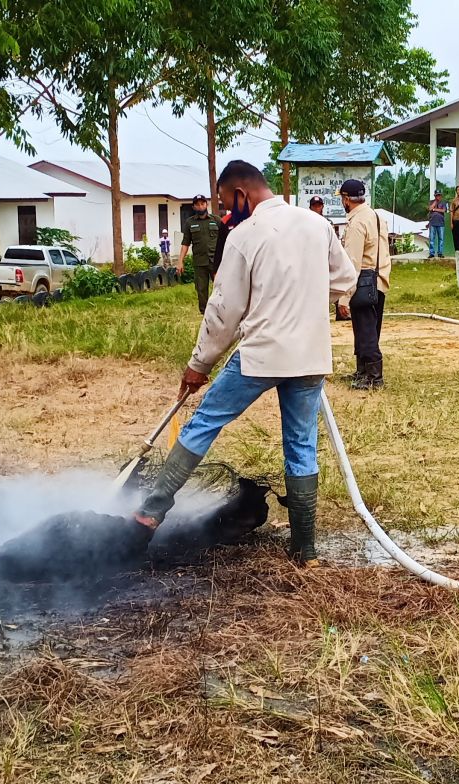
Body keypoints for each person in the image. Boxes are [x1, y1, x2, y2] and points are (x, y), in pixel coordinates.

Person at [131, 160, 357, 568]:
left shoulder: (244, 236)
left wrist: (199, 364)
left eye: (224, 202)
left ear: (241, 194)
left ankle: (149, 513)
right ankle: (305, 551)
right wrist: (301, 298)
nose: (223, 211)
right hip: (310, 356)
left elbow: (223, 312)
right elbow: (346, 280)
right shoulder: (316, 225)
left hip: (262, 355)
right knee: (302, 446)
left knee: (205, 423)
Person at [339, 179, 391, 390]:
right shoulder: (377, 216)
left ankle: (373, 377)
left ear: (346, 199)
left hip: (363, 281)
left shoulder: (357, 223)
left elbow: (352, 263)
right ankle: (363, 372)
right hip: (379, 280)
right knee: (371, 328)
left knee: (364, 330)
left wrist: (344, 297)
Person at [178, 194, 222, 314]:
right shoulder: (189, 223)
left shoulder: (216, 220)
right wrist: (180, 261)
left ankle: (221, 310)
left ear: (206, 205)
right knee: (201, 289)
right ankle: (205, 313)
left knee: (220, 287)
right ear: (193, 207)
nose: (200, 206)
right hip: (200, 262)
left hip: (216, 261)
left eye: (202, 204)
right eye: (197, 204)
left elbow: (225, 240)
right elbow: (185, 243)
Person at [427, 190, 448, 258]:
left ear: (441, 196)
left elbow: (444, 210)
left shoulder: (443, 202)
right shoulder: (431, 202)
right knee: (432, 239)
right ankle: (431, 253)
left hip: (441, 223)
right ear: (434, 195)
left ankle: (440, 253)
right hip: (432, 223)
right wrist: (435, 203)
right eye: (436, 195)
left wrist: (434, 209)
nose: (438, 196)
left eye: (439, 195)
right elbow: (430, 208)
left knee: (441, 239)